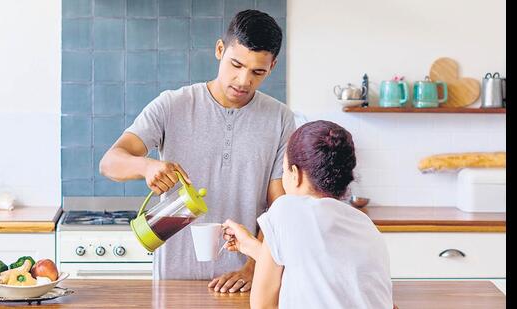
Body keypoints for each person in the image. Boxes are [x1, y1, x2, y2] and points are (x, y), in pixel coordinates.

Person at [99, 9, 295, 293]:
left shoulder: (280, 119)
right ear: (219, 49)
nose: (243, 80)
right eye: (236, 64)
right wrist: (146, 167)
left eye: (257, 72)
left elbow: (278, 205)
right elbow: (110, 162)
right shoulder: (172, 105)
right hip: (172, 281)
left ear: (273, 66)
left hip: (243, 284)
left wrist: (254, 267)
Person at [222, 120, 393, 308]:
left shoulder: (286, 209)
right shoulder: (364, 223)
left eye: (284, 169)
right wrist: (251, 246)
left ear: (295, 174)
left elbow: (263, 306)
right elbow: (311, 267)